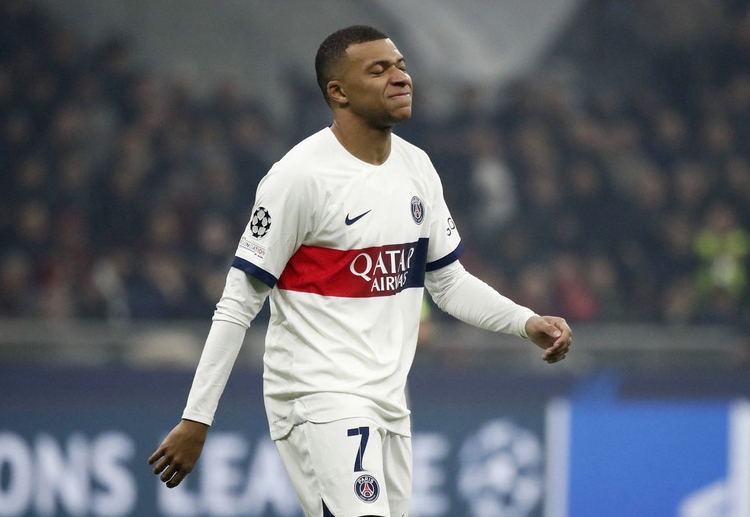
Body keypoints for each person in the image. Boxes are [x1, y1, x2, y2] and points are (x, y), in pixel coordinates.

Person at [148, 25, 572, 517]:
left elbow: (448, 282)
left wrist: (525, 322)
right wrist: (196, 418)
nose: (401, 78)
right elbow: (238, 303)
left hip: (389, 400)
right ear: (339, 92)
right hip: (318, 395)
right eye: (379, 70)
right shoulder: (299, 177)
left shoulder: (417, 168)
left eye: (401, 67)